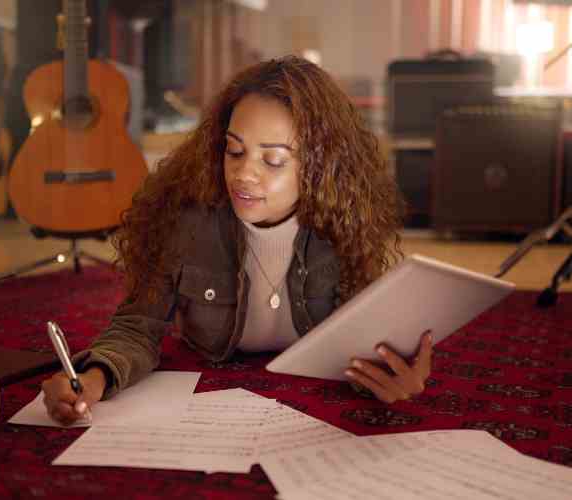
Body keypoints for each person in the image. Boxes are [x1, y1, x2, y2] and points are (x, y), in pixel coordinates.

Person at [42, 56, 433, 425]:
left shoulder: (346, 226)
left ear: (319, 165)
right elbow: (137, 326)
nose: (243, 174)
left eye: (273, 160)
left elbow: (367, 343)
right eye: (234, 151)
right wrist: (95, 377)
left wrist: (394, 371)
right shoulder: (185, 221)